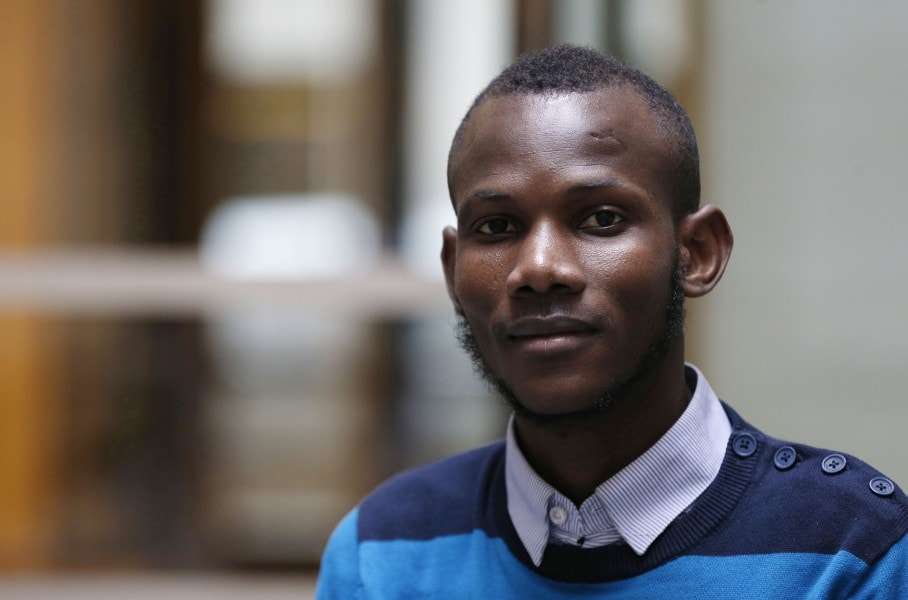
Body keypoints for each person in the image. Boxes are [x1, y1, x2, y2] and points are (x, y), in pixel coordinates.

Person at [316, 45, 908, 598]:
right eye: (496, 227)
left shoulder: (848, 553)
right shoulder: (384, 555)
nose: (539, 268)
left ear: (697, 252)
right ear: (452, 271)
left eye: (600, 218)